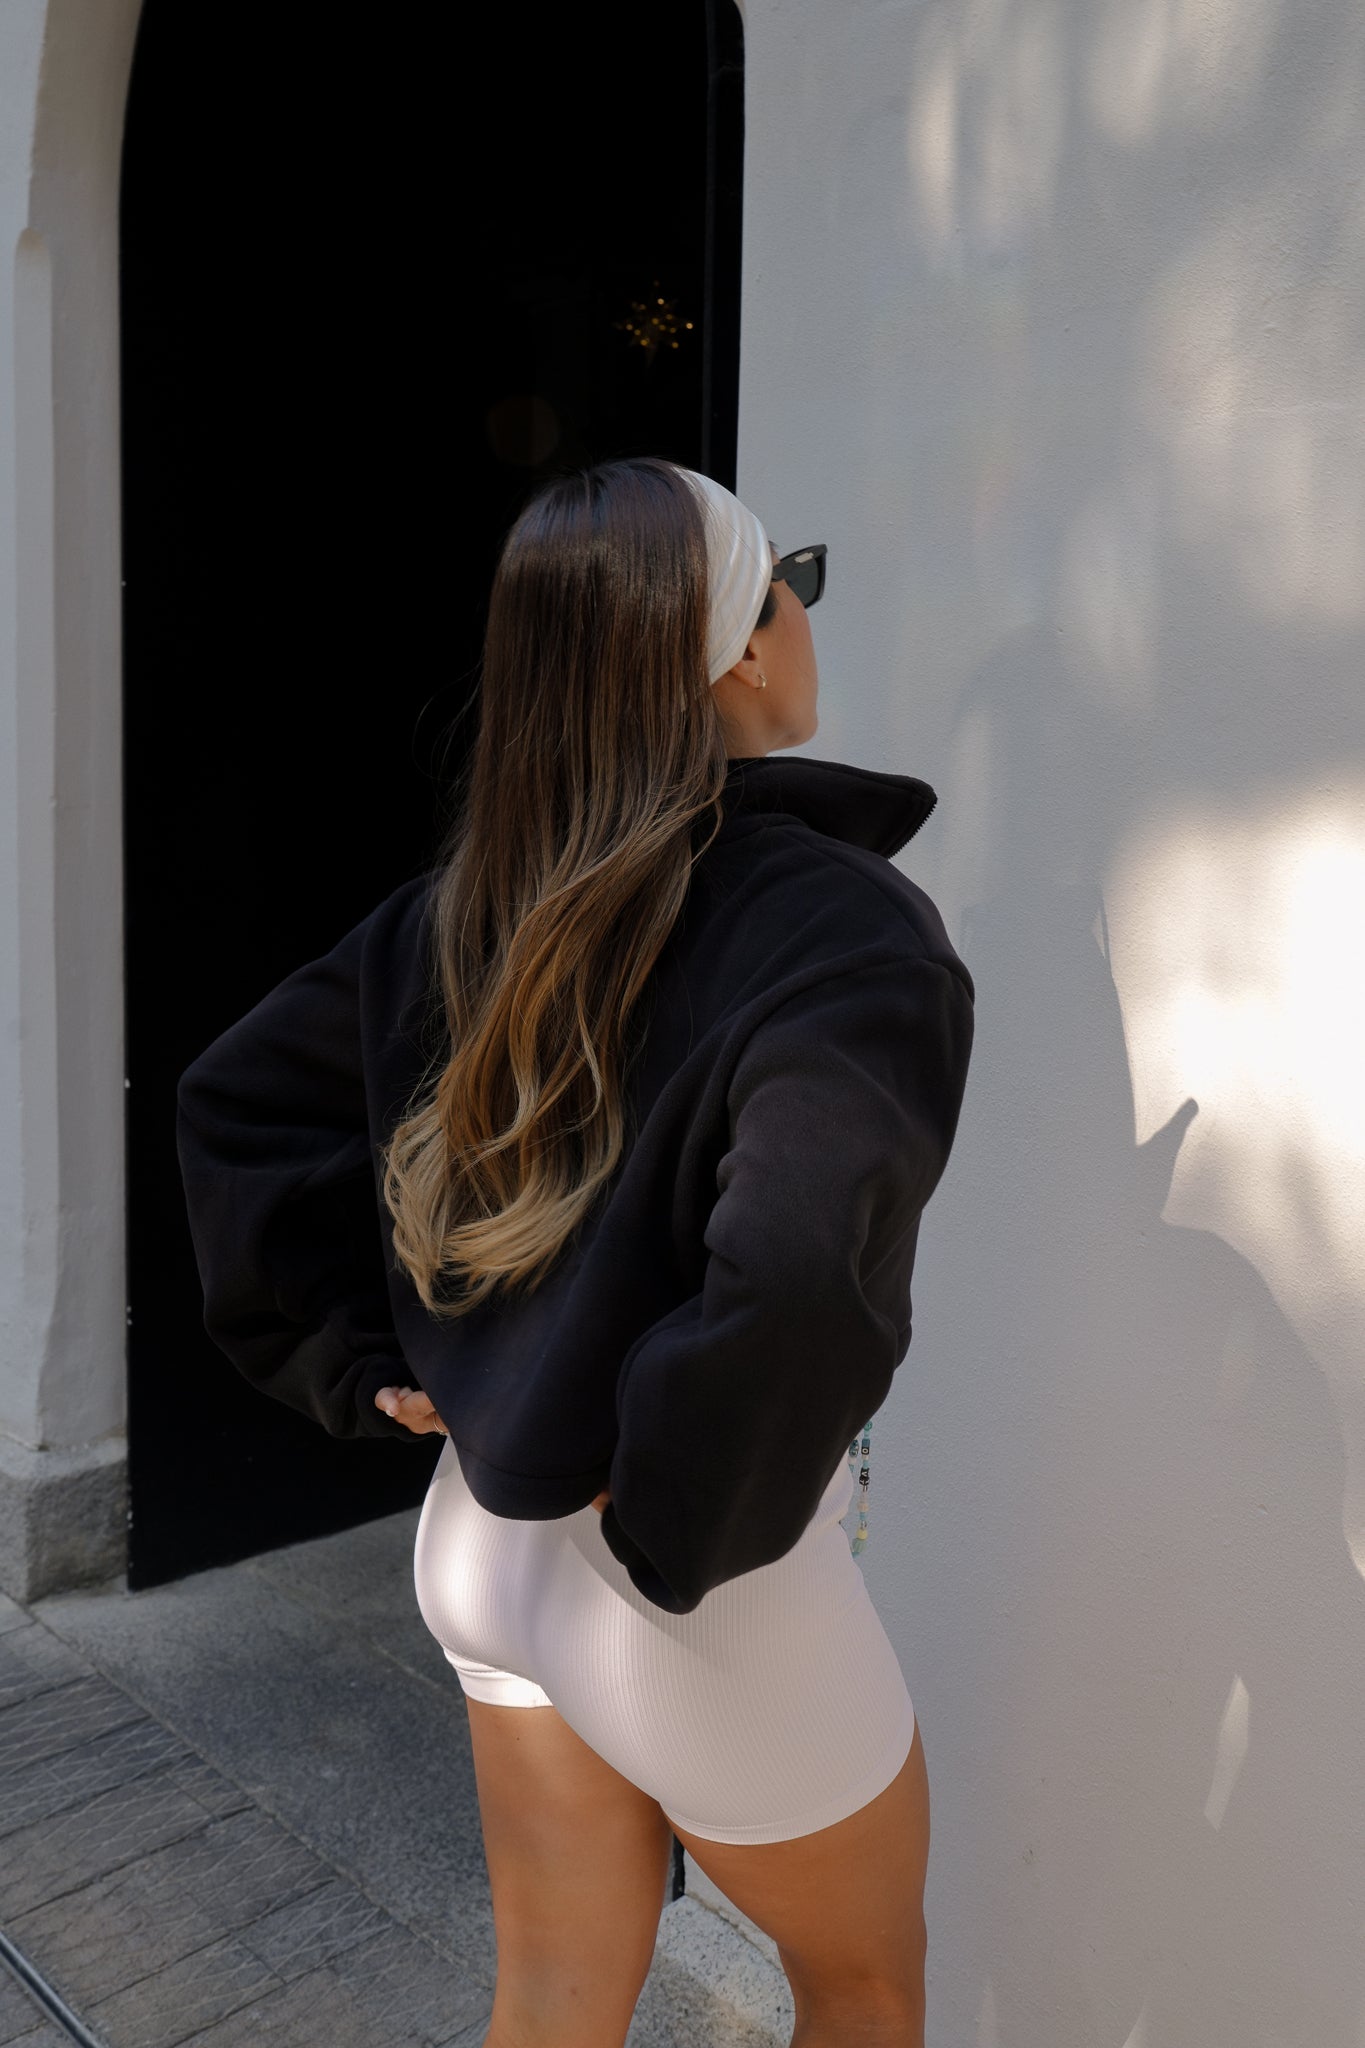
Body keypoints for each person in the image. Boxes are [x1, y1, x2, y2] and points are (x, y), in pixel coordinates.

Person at [175, 456, 975, 2048]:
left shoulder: (479, 903)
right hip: (684, 1583)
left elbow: (234, 1107)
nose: (804, 615)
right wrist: (672, 1514)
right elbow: (797, 1271)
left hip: (485, 1544)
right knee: (866, 1990)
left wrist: (370, 1362)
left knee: (550, 2000)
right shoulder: (838, 931)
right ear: (735, 646)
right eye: (791, 580)